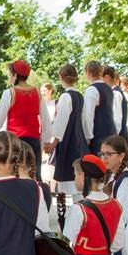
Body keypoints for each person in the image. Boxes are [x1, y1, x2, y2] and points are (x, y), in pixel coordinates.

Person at [0, 60, 53, 180]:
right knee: (34, 175)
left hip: (14, 142)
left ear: (15, 75)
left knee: (14, 175)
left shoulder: (10, 93)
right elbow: (46, 119)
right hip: (33, 141)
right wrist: (46, 140)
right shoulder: (36, 93)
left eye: (10, 74)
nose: (9, 78)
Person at [45, 64, 90, 199]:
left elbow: (61, 121)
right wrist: (87, 139)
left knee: (68, 178)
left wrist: (53, 144)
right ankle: (80, 207)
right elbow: (85, 120)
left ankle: (70, 210)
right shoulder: (80, 96)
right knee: (77, 177)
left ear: (61, 78)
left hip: (68, 141)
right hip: (79, 140)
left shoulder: (65, 97)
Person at [81, 61, 117, 155]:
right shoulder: (109, 89)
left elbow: (88, 116)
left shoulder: (92, 89)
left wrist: (87, 137)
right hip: (111, 133)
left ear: (88, 73)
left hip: (98, 137)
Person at [103, 66, 127, 143]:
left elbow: (116, 119)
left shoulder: (115, 94)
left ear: (106, 77)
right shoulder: (114, 92)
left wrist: (113, 139)